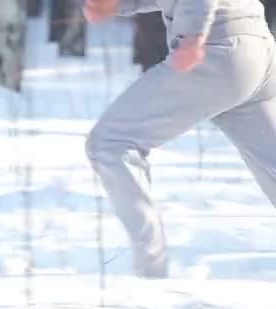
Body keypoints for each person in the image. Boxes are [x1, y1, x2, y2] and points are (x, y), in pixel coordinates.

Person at [83, 0, 276, 278]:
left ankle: (150, 272)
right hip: (257, 47)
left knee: (110, 142)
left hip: (218, 46)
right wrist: (117, 6)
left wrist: (193, 34)